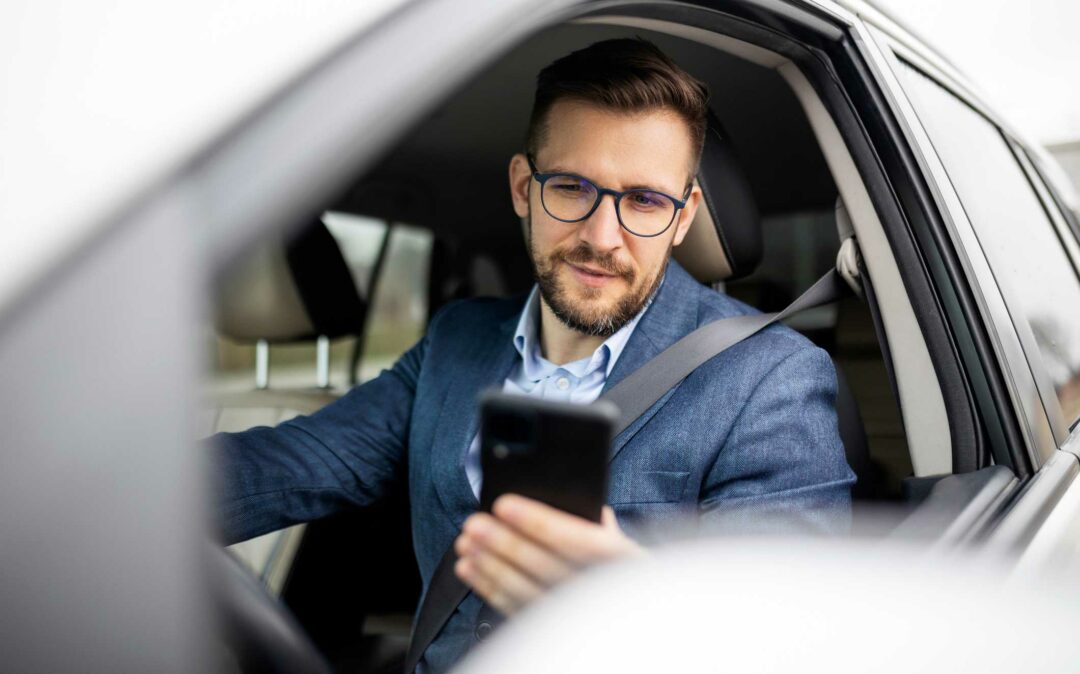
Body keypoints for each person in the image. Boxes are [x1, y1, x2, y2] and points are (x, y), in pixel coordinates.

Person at [215, 38, 855, 673]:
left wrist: (635, 603)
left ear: (683, 217)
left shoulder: (771, 377)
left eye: (645, 201)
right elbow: (294, 464)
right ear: (524, 187)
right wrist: (153, 495)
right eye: (573, 187)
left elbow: (786, 630)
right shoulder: (456, 339)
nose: (602, 238)